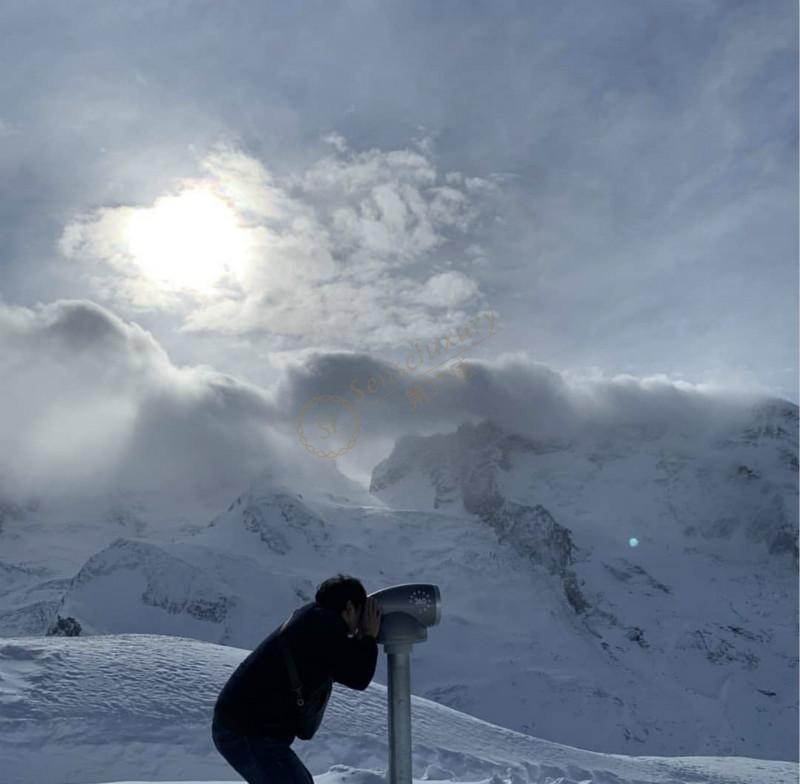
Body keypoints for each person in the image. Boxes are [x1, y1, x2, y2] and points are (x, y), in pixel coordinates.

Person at [211, 574, 382, 784]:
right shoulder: (325, 627)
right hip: (248, 732)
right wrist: (368, 636)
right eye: (362, 613)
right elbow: (359, 678)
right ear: (349, 608)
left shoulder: (312, 617)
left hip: (242, 727)